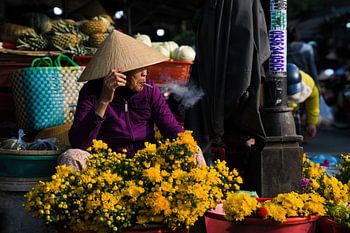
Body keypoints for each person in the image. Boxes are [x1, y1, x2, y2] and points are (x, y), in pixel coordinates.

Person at [68, 30, 198, 160]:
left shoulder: (150, 89)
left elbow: (170, 128)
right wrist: (103, 101)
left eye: (146, 68)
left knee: (193, 150)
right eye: (140, 68)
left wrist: (187, 143)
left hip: (146, 161)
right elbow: (79, 143)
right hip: (105, 161)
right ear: (120, 70)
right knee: (71, 157)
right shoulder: (92, 90)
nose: (145, 73)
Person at [287, 63, 320, 141]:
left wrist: (312, 123)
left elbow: (314, 105)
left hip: (296, 108)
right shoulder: (267, 86)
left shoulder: (308, 83)